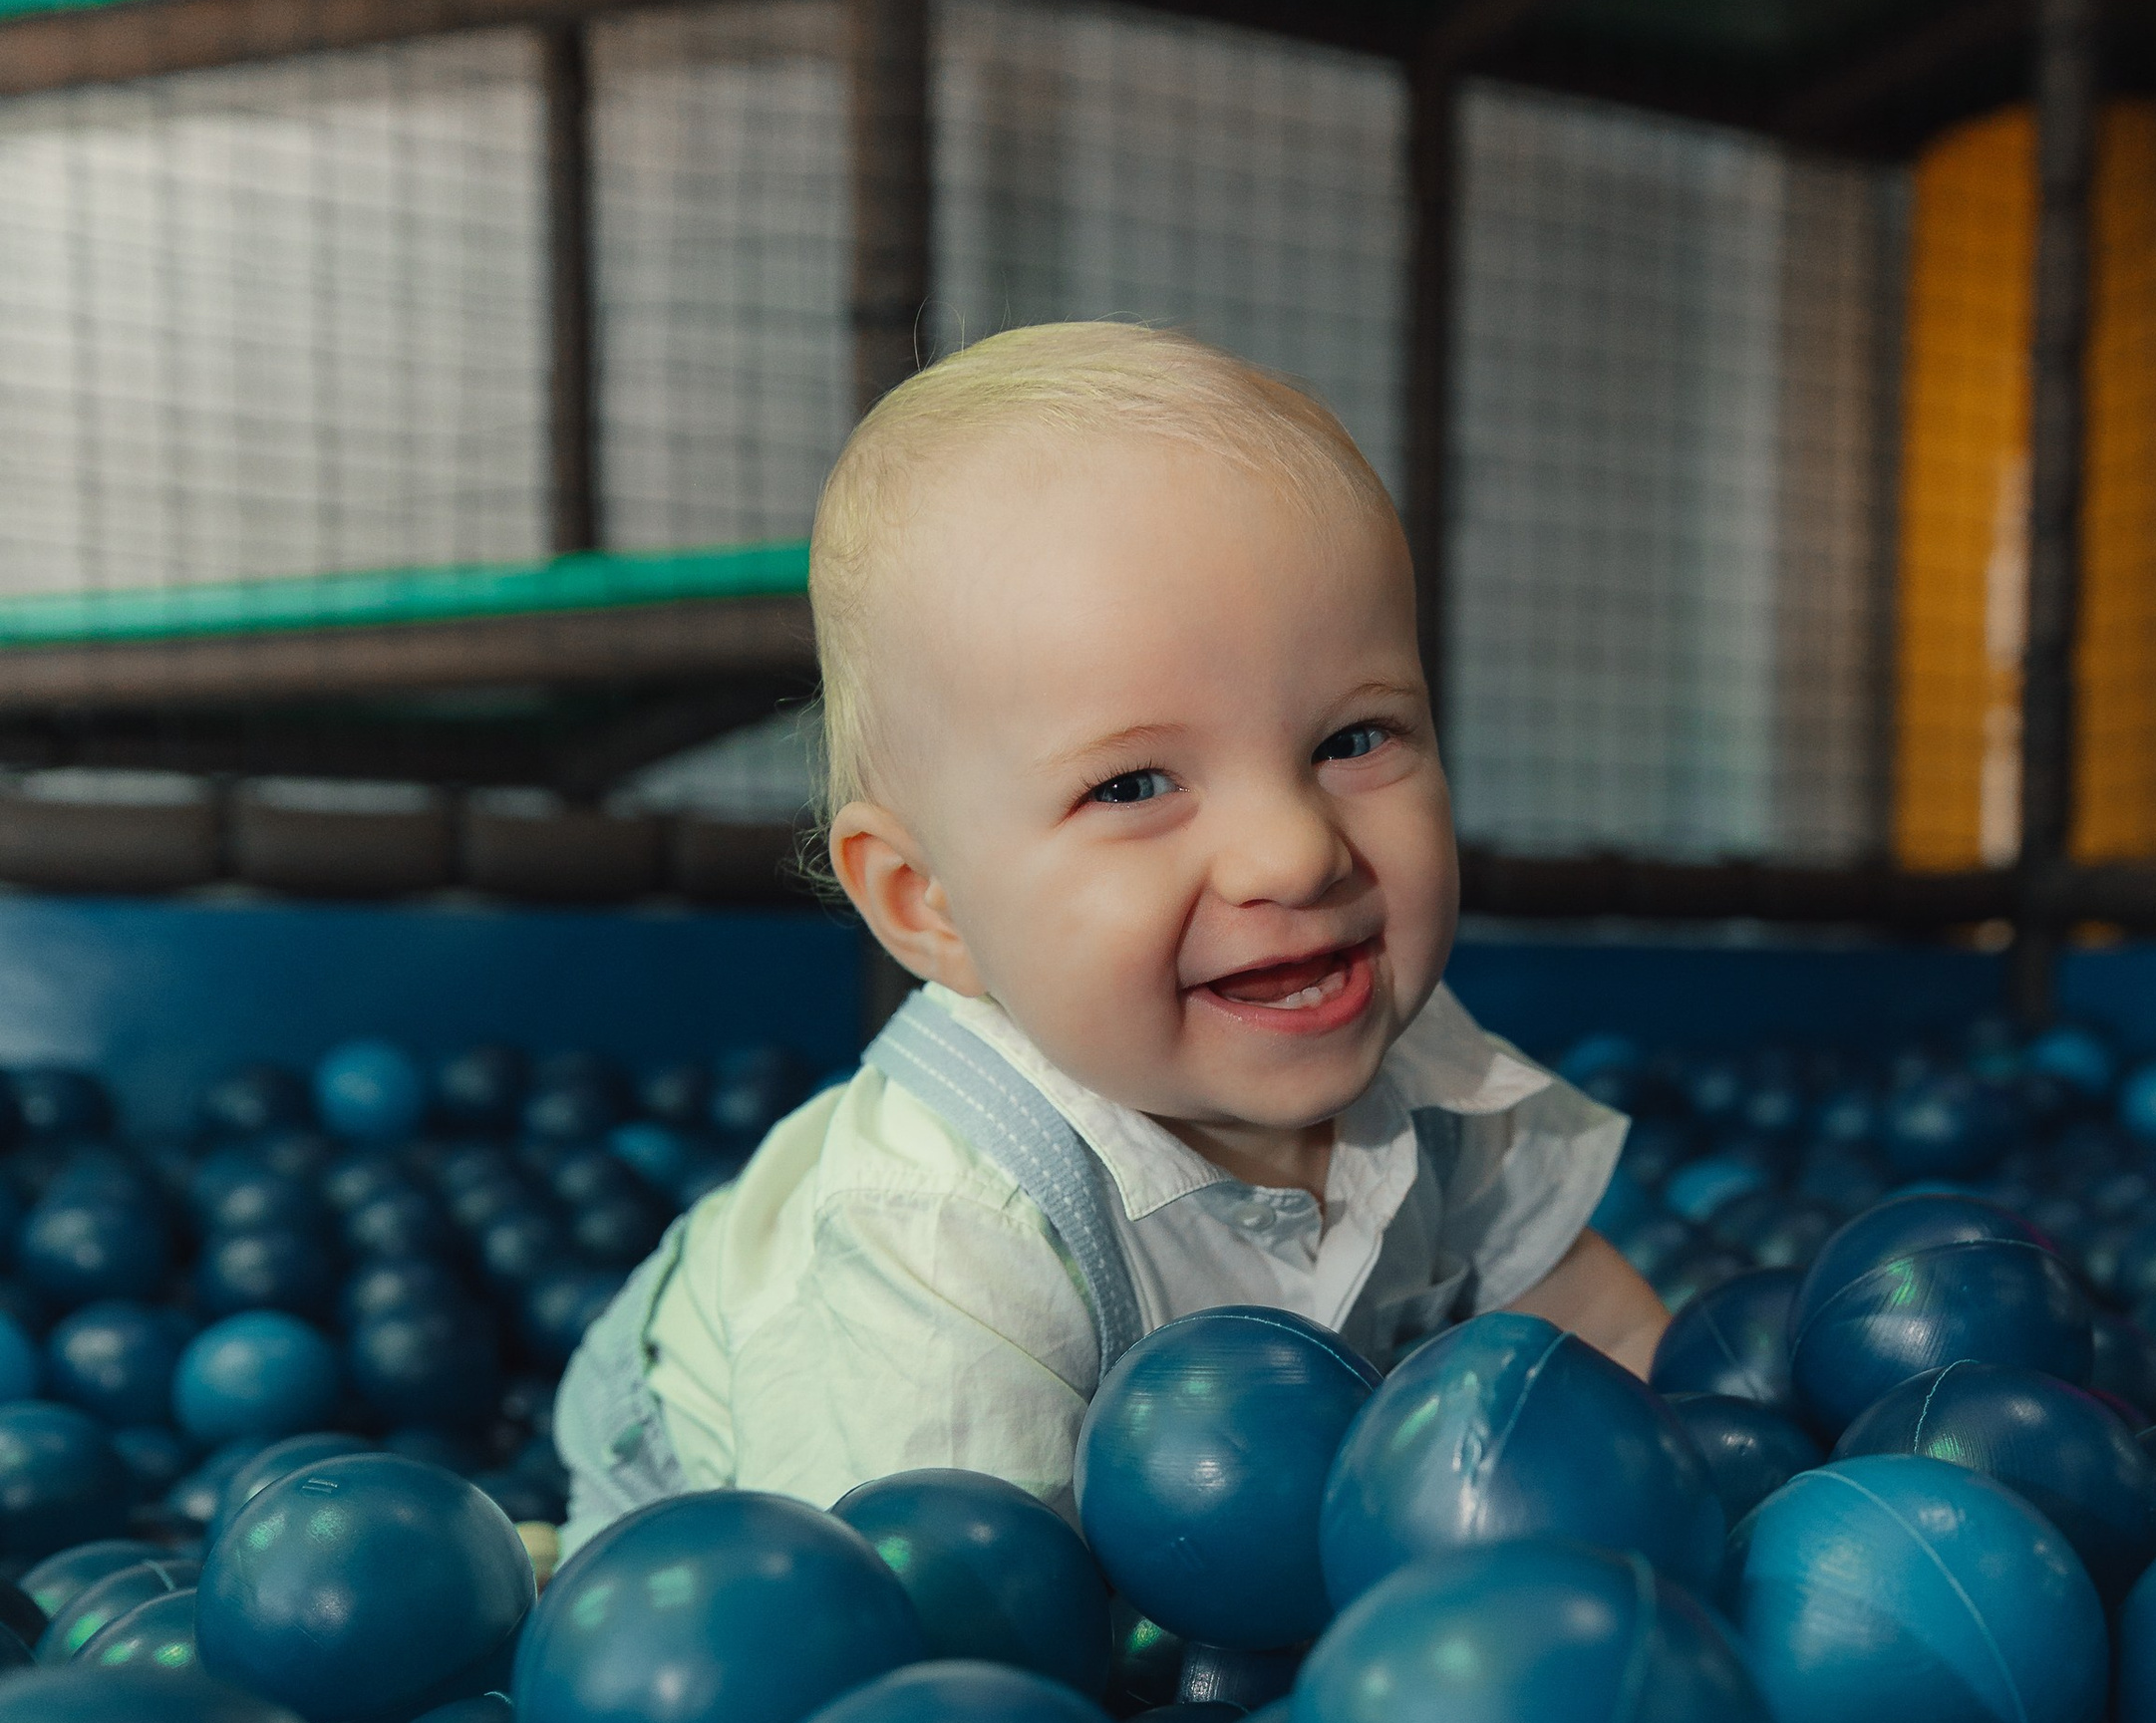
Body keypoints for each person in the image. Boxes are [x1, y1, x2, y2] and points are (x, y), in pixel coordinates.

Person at [556, 322, 1660, 1546]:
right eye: (1134, 786)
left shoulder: (1425, 1071)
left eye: (1352, 741)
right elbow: (935, 1614)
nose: (1294, 852)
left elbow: (1610, 1351)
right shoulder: (943, 1236)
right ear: (929, 902)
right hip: (725, 1504)